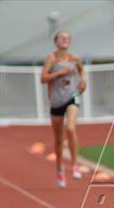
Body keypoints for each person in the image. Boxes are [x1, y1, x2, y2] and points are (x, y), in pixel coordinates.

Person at [41, 31, 86, 188]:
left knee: (71, 128)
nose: (65, 39)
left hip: (71, 97)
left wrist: (83, 81)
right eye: (62, 37)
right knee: (59, 140)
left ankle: (74, 165)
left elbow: (81, 70)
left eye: (67, 37)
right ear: (56, 42)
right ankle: (60, 169)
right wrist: (60, 72)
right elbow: (43, 78)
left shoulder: (74, 58)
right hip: (56, 101)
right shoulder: (51, 59)